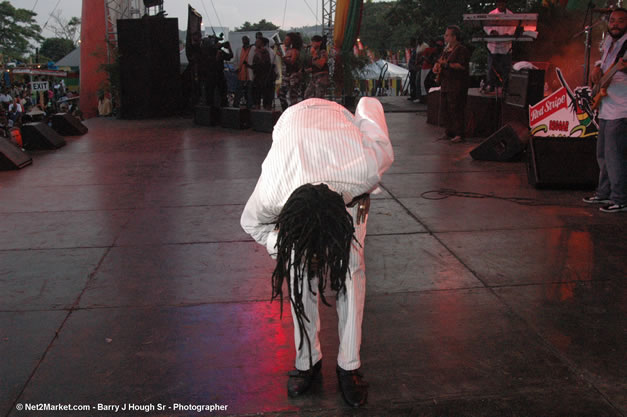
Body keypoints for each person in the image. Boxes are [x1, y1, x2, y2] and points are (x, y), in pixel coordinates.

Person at [240, 97, 394, 407]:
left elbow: (369, 105)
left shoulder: (367, 167)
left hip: (342, 156)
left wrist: (358, 110)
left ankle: (349, 366)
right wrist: (284, 246)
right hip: (293, 123)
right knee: (299, 272)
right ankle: (307, 360)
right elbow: (251, 224)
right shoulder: (273, 190)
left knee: (351, 270)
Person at [583, 7, 627, 213]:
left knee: (615, 155)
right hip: (607, 106)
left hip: (622, 107)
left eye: (620, 21)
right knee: (603, 154)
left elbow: (621, 66)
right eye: (612, 21)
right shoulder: (610, 41)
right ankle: (604, 193)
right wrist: (597, 67)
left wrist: (620, 68)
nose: (615, 24)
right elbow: (605, 60)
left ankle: (620, 198)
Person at [434, 25, 471, 143]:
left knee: (456, 109)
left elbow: (461, 66)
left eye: (447, 35)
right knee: (446, 109)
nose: (445, 38)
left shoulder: (461, 50)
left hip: (457, 84)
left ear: (454, 37)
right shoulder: (446, 50)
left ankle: (459, 133)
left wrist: (446, 65)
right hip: (446, 83)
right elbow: (440, 62)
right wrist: (437, 66)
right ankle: (448, 132)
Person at [482, 0, 515, 94]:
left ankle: (505, 87)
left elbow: (513, 27)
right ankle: (491, 85)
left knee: (506, 68)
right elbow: (486, 26)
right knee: (491, 67)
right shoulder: (491, 14)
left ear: (505, 3)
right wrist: (491, 31)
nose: (501, 5)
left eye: (503, 3)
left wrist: (507, 34)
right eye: (499, 3)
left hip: (505, 47)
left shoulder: (511, 14)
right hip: (493, 46)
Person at [277, 32, 304, 110]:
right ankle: (285, 110)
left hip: (293, 76)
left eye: (286, 40)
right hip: (287, 76)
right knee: (281, 93)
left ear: (291, 41)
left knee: (293, 96)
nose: (284, 41)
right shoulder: (288, 50)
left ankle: (292, 111)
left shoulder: (294, 51)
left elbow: (292, 62)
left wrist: (283, 58)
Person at [233, 35, 253, 108]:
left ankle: (249, 104)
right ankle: (236, 104)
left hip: (249, 74)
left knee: (249, 91)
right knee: (238, 90)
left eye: (246, 39)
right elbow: (235, 61)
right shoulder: (239, 49)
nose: (244, 40)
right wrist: (236, 68)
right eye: (243, 39)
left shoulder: (252, 49)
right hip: (241, 73)